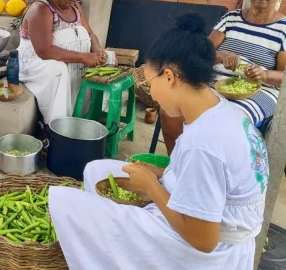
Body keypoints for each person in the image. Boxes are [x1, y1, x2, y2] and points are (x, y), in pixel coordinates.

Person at [49, 14, 268, 270]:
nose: (150, 92)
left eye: (149, 82)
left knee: (65, 203)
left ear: (169, 77)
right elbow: (213, 180)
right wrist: (166, 172)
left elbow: (204, 240)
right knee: (95, 169)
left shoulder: (202, 142)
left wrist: (153, 186)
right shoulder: (224, 111)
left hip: (206, 251)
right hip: (211, 222)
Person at [161, 0, 286, 153]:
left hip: (258, 91)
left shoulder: (283, 29)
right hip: (215, 81)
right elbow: (202, 53)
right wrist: (220, 56)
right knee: (171, 110)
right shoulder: (232, 18)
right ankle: (176, 167)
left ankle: (210, 173)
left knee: (222, 125)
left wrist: (264, 73)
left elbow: (283, 77)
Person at [17, 0, 108, 125]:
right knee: (58, 70)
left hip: (68, 59)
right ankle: (56, 125)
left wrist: (97, 49)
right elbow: (44, 51)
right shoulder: (41, 10)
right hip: (35, 62)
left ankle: (90, 115)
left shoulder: (74, 6)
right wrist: (83, 57)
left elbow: (90, 33)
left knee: (110, 57)